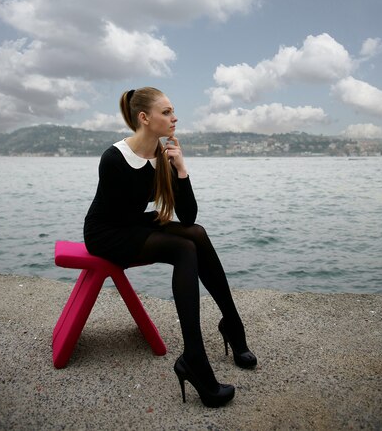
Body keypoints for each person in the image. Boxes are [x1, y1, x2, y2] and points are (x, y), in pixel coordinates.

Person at [84, 87, 257, 408]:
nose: (174, 117)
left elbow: (189, 218)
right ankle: (195, 357)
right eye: (166, 112)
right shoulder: (114, 159)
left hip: (132, 224)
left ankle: (232, 324)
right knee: (183, 249)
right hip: (107, 234)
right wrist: (161, 223)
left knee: (198, 235)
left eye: (173, 111)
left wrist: (181, 170)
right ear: (144, 118)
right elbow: (119, 218)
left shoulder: (163, 155)